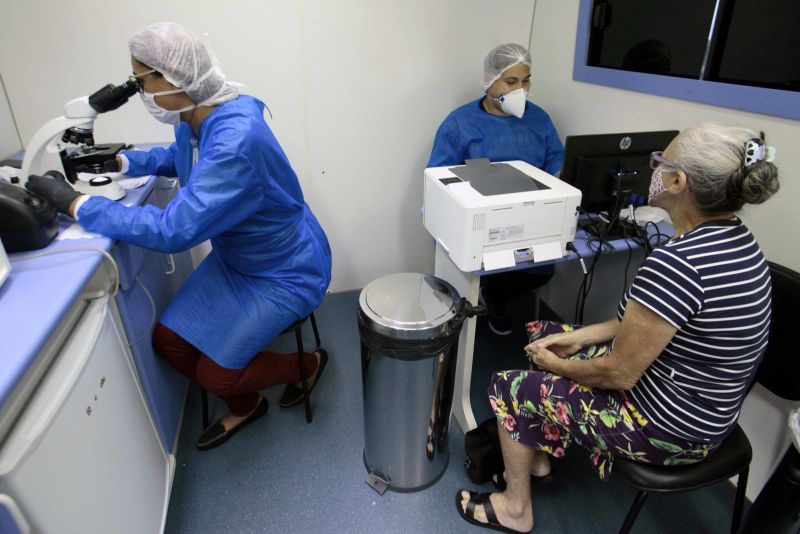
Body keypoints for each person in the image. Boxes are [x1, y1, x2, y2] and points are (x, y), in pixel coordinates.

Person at [455, 122, 780, 533]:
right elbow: (637, 323)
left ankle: (515, 509)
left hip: (666, 431)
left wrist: (557, 367)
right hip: (707, 415)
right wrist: (572, 338)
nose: (653, 167)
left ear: (678, 182)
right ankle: (535, 459)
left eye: (660, 161)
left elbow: (620, 373)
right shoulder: (736, 240)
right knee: (544, 334)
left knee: (508, 385)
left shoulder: (678, 264)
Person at [26, 22, 332, 451]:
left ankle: (308, 365)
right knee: (167, 343)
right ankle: (247, 405)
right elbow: (180, 157)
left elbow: (173, 231)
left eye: (143, 80)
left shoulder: (235, 136)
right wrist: (121, 163)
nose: (139, 91)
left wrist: (77, 205)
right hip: (237, 261)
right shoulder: (196, 114)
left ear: (176, 78)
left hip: (283, 270)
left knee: (214, 375)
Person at [427, 43, 564, 336]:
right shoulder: (460, 123)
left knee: (545, 268)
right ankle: (488, 295)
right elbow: (438, 176)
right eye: (511, 81)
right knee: (476, 267)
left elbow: (556, 157)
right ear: (490, 80)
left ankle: (495, 295)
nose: (521, 89)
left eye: (526, 80)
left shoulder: (538, 119)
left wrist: (559, 175)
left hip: (533, 216)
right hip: (481, 221)